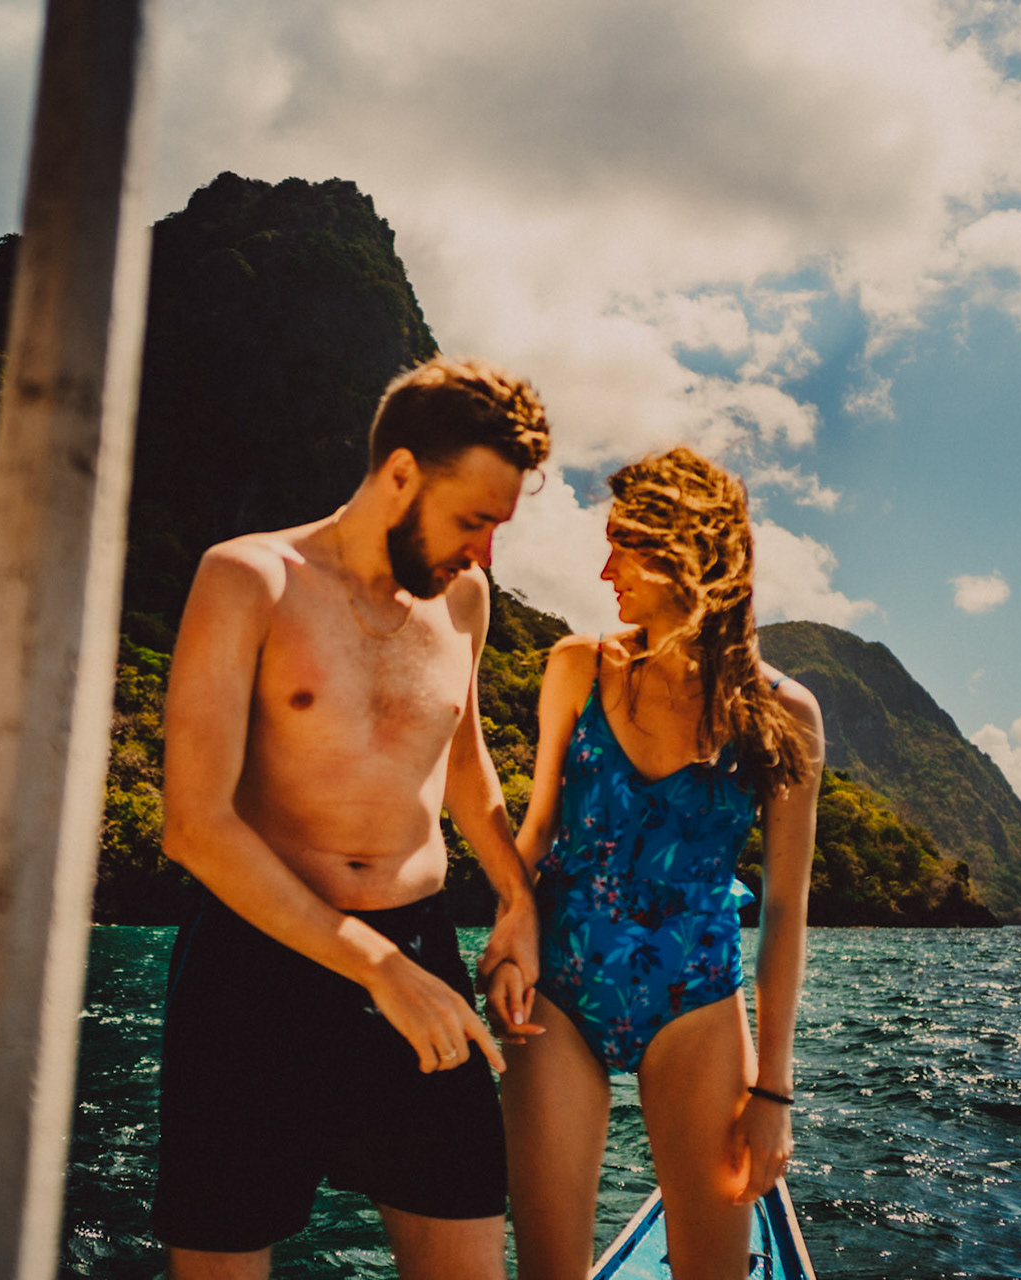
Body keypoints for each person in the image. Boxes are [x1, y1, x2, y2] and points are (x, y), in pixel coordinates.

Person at [152, 356, 551, 1280]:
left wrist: (516, 900)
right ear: (402, 473)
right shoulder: (250, 578)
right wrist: (378, 972)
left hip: (420, 953)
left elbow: (462, 759)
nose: (485, 552)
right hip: (254, 971)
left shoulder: (466, 601)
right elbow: (194, 826)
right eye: (474, 520)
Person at [500, 447, 823, 1280]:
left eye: (624, 546)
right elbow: (534, 835)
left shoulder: (784, 715)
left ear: (685, 555)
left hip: (697, 1010)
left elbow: (785, 909)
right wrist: (508, 926)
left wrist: (775, 1095)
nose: (605, 569)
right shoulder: (578, 667)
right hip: (559, 996)